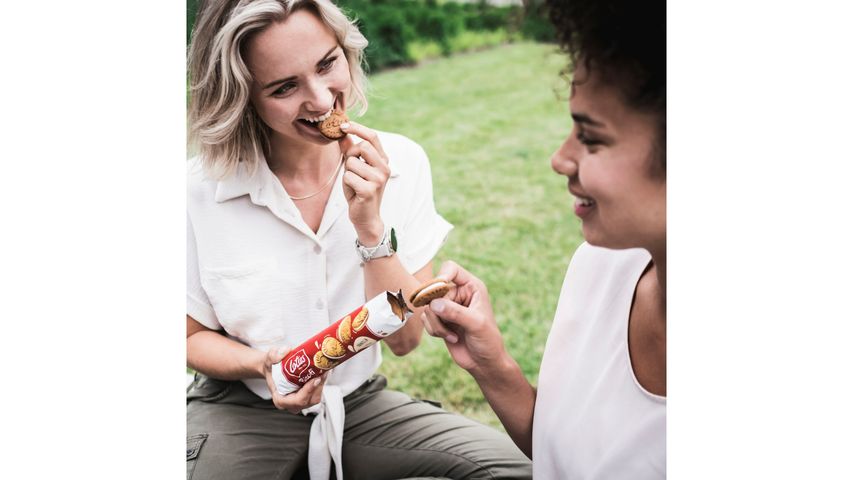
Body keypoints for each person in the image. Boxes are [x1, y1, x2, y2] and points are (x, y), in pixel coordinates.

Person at [185, 1, 532, 479]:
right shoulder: (198, 191)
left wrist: (371, 228)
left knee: (515, 471)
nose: (322, 100)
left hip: (356, 405)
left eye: (328, 64)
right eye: (284, 87)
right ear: (243, 97)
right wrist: (262, 363)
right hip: (239, 409)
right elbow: (187, 337)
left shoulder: (403, 162)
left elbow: (408, 338)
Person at [421, 0, 666, 478]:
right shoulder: (601, 264)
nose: (560, 158)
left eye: (591, 138)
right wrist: (492, 366)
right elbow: (569, 459)